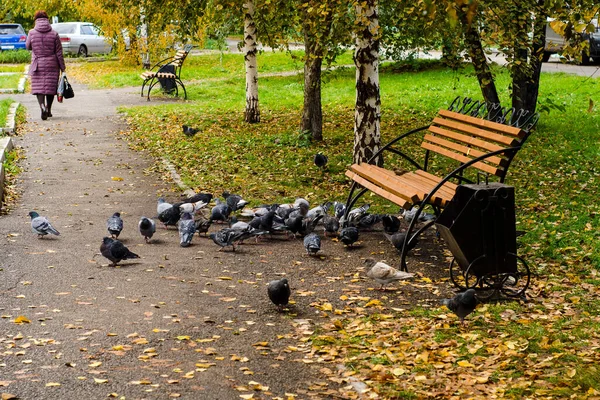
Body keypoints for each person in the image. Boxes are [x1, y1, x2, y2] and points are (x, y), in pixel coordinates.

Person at [26, 10, 66, 120]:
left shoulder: (31, 32)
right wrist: (63, 67)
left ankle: (42, 107)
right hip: (52, 64)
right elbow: (59, 52)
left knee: (39, 88)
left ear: (36, 20)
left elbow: (28, 46)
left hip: (37, 63)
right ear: (47, 19)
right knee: (50, 87)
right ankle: (48, 109)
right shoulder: (54, 33)